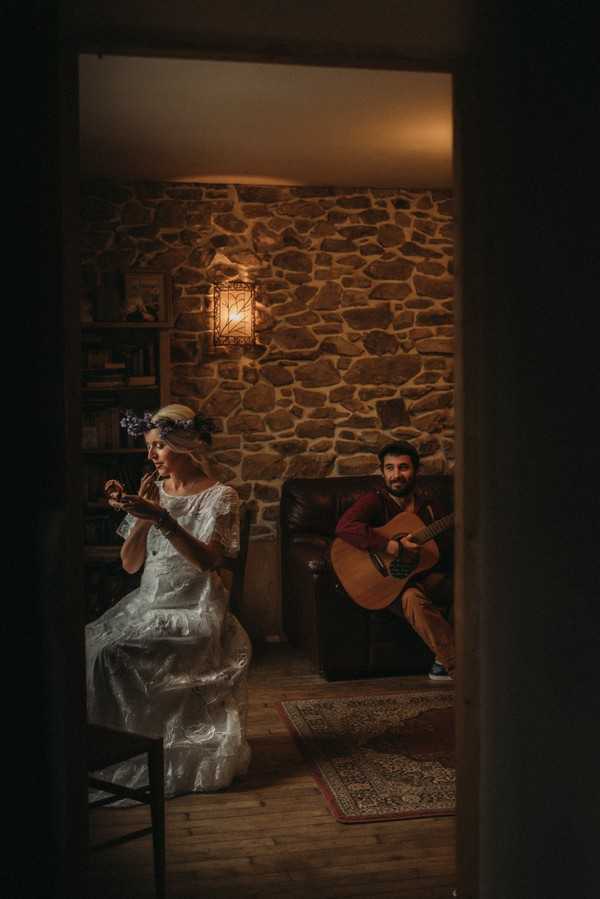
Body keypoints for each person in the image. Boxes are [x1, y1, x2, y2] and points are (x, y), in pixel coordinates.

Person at [86, 403, 251, 797]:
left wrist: (162, 517)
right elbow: (129, 565)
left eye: (158, 445)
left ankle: (153, 756)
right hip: (147, 604)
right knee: (90, 645)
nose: (150, 455)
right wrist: (141, 516)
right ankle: (114, 753)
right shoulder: (152, 494)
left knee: (113, 654)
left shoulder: (221, 497)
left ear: (184, 445)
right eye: (149, 446)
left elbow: (208, 561)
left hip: (192, 609)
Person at [335, 440, 455, 680]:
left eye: (403, 467)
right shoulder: (375, 500)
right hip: (390, 584)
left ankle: (443, 661)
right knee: (412, 598)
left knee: (473, 587)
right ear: (382, 471)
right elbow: (345, 527)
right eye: (389, 468)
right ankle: (460, 667)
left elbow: (446, 545)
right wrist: (391, 546)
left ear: (416, 471)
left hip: (422, 577)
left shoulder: (429, 507)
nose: (396, 475)